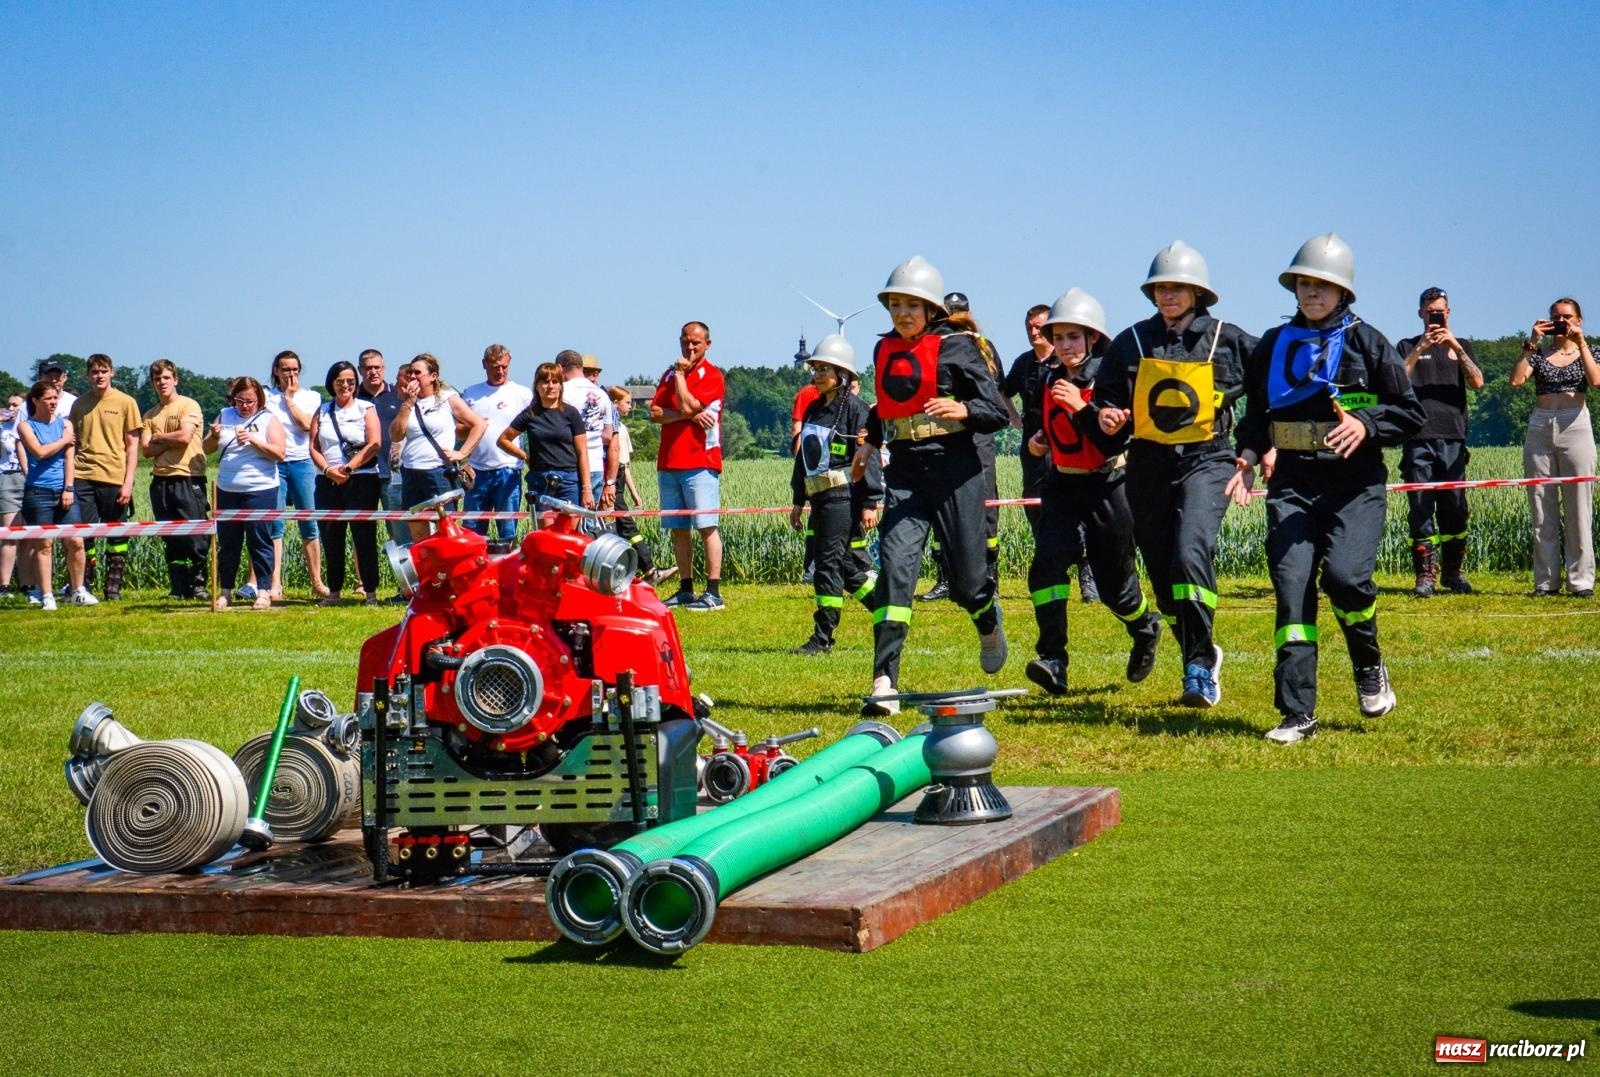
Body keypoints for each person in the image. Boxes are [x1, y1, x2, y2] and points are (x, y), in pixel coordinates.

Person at [1230, 233, 1425, 744]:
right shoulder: (1272, 345)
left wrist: (1366, 423)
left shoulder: (1369, 342)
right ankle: (1298, 713)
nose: (1312, 292)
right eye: (1304, 283)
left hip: (1354, 485)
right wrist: (1248, 458)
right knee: (1292, 590)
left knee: (1343, 578)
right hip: (1292, 484)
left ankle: (1368, 663)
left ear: (1343, 292)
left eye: (1323, 284)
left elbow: (1410, 412)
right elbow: (1255, 414)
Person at [1096, 241, 1258, 709]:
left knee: (1191, 551)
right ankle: (1199, 645)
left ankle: (1199, 667)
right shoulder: (1131, 340)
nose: (1168, 295)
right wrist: (1107, 416)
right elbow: (1105, 401)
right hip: (1147, 465)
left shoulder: (1229, 337)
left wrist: (1256, 444)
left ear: (1197, 292)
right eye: (1161, 287)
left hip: (1208, 460)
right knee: (1165, 571)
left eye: (1178, 287)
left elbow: (1268, 388)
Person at [852, 256, 1010, 715]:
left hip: (955, 470)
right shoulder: (883, 351)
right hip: (904, 473)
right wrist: (870, 443)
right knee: (897, 573)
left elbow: (996, 411)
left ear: (930, 309)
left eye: (911, 305)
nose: (902, 314)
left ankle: (986, 617)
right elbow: (888, 404)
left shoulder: (958, 347)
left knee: (967, 582)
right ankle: (885, 679)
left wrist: (964, 410)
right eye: (895, 305)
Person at [1023, 289, 1163, 695]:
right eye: (1059, 337)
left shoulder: (1109, 381)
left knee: (1114, 589)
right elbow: (1055, 427)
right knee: (1046, 567)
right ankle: (1053, 659)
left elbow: (1110, 445)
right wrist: (1041, 439)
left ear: (1092, 339)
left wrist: (1077, 409)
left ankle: (1144, 627)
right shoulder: (1050, 377)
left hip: (1108, 486)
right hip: (1063, 485)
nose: (1064, 346)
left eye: (1073, 337)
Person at [788, 335, 881, 655]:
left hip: (843, 497)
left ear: (842, 374)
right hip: (819, 500)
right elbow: (804, 460)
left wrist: (869, 502)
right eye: (814, 369)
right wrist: (798, 500)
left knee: (828, 566)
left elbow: (866, 457)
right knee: (847, 568)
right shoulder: (814, 409)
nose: (815, 375)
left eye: (822, 369)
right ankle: (888, 612)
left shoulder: (856, 411)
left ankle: (822, 637)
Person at [1396, 287, 1485, 597]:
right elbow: (1398, 382)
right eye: (1430, 311)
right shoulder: (1407, 345)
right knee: (1420, 508)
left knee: (1455, 509)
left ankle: (1453, 573)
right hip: (1418, 437)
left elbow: (1477, 381)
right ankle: (1425, 577)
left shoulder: (1463, 346)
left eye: (1441, 311)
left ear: (1448, 313)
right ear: (1420, 313)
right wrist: (1420, 348)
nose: (1436, 315)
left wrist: (1456, 348)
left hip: (1454, 438)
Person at [1510, 297, 1600, 598]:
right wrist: (1531, 343)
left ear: (1579, 319)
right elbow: (1516, 380)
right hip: (1541, 423)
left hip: (1575, 421)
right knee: (1540, 505)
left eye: (1567, 317)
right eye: (1555, 317)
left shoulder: (1591, 349)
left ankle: (1581, 580)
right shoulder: (1539, 353)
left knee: (1579, 505)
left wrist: (1580, 341)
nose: (1561, 322)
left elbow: (1596, 380)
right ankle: (1546, 581)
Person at [650, 322, 727, 612]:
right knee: (677, 528)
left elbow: (688, 404)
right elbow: (655, 413)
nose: (690, 347)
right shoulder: (667, 374)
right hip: (669, 461)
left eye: (696, 342)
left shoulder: (712, 375)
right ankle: (685, 588)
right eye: (685, 342)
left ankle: (713, 591)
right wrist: (688, 415)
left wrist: (682, 380)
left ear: (707, 344)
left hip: (700, 461)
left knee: (706, 526)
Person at [65, 354, 141, 601]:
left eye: (103, 371)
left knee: (116, 535)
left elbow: (132, 445)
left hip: (113, 477)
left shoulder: (126, 402)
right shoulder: (79, 405)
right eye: (94, 372)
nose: (99, 376)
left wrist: (128, 482)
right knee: (84, 534)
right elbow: (72, 443)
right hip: (82, 476)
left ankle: (113, 588)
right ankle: (83, 587)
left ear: (112, 373)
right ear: (88, 375)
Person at [390, 353, 486, 542]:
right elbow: (395, 435)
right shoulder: (408, 403)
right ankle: (427, 570)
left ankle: (447, 571)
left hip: (439, 473)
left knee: (445, 530)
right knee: (418, 532)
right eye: (410, 373)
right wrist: (408, 403)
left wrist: (462, 452)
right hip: (411, 472)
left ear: (433, 376)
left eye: (418, 373)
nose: (412, 377)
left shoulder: (447, 398)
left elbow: (479, 424)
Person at [310, 360, 383, 606]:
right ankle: (334, 592)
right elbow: (313, 447)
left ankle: (370, 592)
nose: (346, 386)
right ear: (332, 383)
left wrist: (350, 468)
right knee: (331, 536)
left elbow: (375, 443)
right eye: (340, 381)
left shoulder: (366, 408)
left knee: (364, 536)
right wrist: (329, 470)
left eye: (351, 381)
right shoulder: (321, 411)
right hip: (327, 481)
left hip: (361, 480)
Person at [140, 359, 211, 601]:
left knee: (196, 534)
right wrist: (162, 440)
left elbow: (185, 437)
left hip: (188, 477)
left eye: (166, 378)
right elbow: (146, 450)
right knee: (171, 536)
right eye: (157, 379)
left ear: (175, 380)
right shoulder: (150, 414)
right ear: (153, 383)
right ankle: (178, 587)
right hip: (160, 481)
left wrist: (159, 437)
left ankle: (199, 585)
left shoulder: (188, 405)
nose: (162, 383)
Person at [262, 350, 327, 601]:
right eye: (285, 369)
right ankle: (275, 583)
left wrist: (289, 400)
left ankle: (317, 582)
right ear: (276, 371)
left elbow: (307, 425)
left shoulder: (311, 396)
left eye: (295, 369)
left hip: (302, 462)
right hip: (274, 464)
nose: (291, 374)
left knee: (309, 524)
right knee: (275, 525)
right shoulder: (266, 397)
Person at [17, 381, 81, 610]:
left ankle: (78, 590)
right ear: (35, 401)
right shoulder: (26, 426)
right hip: (38, 492)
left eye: (55, 398)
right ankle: (47, 594)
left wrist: (69, 488)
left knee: (75, 541)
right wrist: (64, 440)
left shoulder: (65, 423)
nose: (54, 402)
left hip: (63, 489)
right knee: (44, 544)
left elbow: (69, 459)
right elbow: (40, 452)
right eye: (48, 398)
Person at [460, 343, 533, 543]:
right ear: (484, 364)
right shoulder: (470, 393)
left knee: (508, 533)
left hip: (508, 471)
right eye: (494, 367)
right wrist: (463, 458)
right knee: (472, 535)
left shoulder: (523, 394)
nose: (500, 371)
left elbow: (534, 430)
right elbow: (455, 430)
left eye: (504, 366)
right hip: (476, 472)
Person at [497, 362, 590, 507]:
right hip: (541, 479)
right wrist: (525, 456)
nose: (550, 386)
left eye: (555, 382)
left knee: (568, 530)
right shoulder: (529, 414)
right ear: (537, 386)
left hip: (569, 481)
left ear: (560, 386)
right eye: (545, 382)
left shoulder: (571, 413)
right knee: (545, 530)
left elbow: (583, 453)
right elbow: (503, 440)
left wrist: (586, 489)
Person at [355, 348, 406, 549]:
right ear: (360, 370)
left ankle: (404, 579)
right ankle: (363, 580)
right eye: (368, 368)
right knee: (363, 531)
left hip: (392, 473)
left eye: (377, 367)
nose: (373, 372)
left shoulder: (397, 395)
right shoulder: (353, 397)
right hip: (362, 473)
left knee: (398, 530)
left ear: (384, 369)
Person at [558, 350, 616, 518]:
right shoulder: (602, 394)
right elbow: (607, 435)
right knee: (589, 521)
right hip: (596, 464)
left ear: (560, 368)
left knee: (570, 523)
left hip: (570, 466)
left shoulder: (562, 392)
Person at [607, 384, 655, 576]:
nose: (630, 407)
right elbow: (623, 465)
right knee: (626, 526)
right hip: (614, 483)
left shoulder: (621, 428)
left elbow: (624, 466)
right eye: (627, 403)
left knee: (620, 526)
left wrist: (634, 493)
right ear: (615, 404)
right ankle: (648, 567)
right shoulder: (620, 429)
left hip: (613, 480)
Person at [0, 394, 28, 598]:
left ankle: (28, 584)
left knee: (29, 537)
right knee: (10, 534)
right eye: (8, 404)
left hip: (28, 478)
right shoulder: (2, 428)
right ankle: (4, 586)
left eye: (15, 404)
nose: (10, 407)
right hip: (7, 479)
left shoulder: (28, 426)